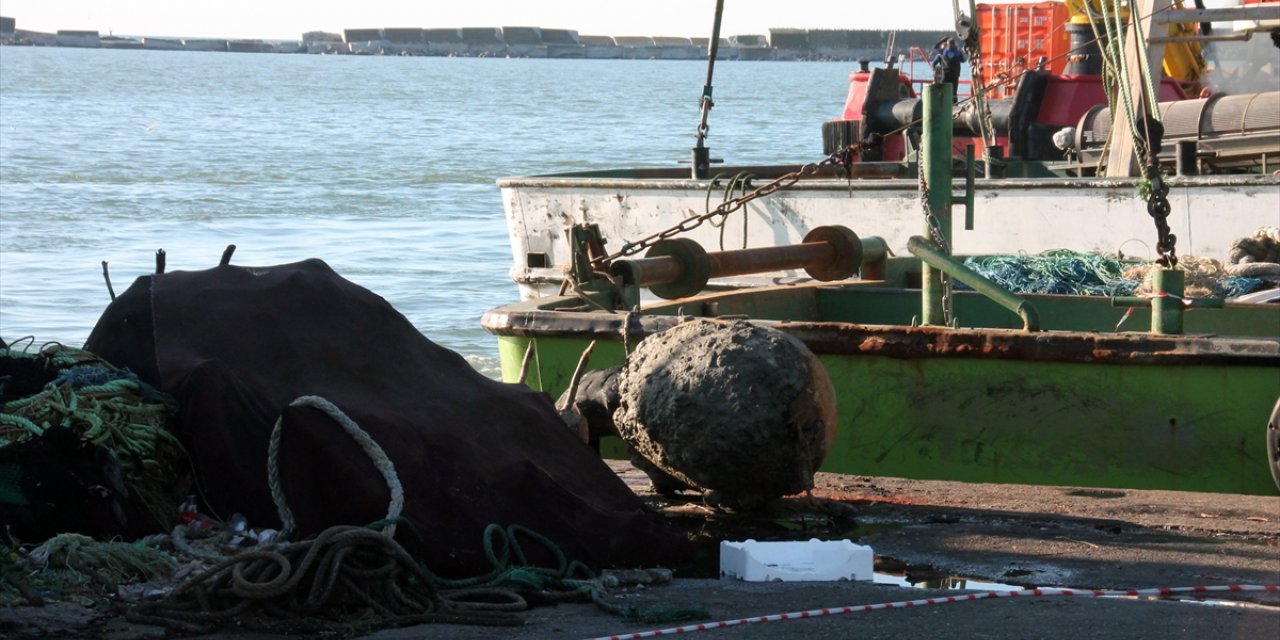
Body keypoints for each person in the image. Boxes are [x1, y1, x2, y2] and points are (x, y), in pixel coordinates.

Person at [931, 37, 967, 101]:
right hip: (955, 75)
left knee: (944, 91)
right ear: (954, 43)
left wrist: (934, 71)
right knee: (954, 92)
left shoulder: (943, 52)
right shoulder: (958, 52)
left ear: (948, 44)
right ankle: (955, 105)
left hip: (945, 75)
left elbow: (933, 63)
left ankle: (943, 104)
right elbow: (963, 60)